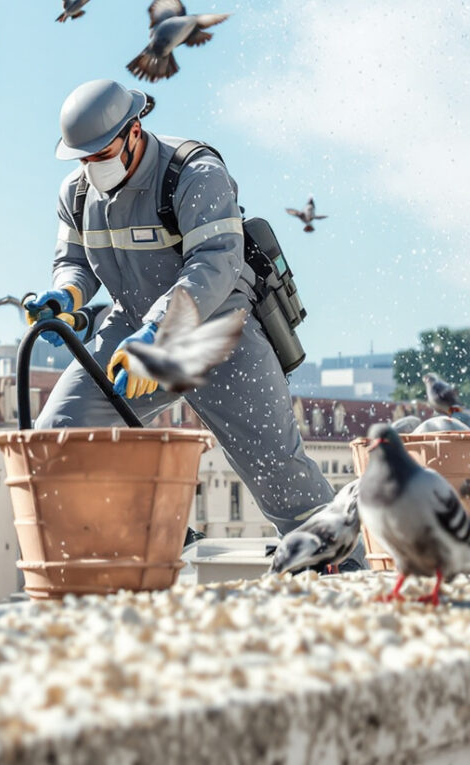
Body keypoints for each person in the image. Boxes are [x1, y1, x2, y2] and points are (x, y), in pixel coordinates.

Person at [29, 79, 334, 533]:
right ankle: (155, 537)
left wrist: (157, 333)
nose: (91, 168)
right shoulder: (76, 194)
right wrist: (65, 296)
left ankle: (342, 563)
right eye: (83, 159)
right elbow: (74, 262)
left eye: (101, 154)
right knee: (59, 436)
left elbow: (214, 263)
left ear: (134, 131)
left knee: (281, 474)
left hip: (219, 333)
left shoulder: (194, 173)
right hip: (131, 332)